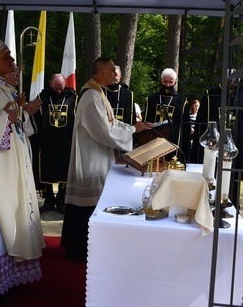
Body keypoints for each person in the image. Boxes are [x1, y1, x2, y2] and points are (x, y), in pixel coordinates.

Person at [0, 24, 45, 300]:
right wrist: (8, 118)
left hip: (12, 163)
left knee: (11, 220)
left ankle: (10, 278)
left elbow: (13, 125)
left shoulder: (0, 86)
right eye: (7, 57)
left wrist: (22, 113)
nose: (13, 62)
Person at [61, 57, 150, 261]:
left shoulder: (98, 92)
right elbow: (104, 131)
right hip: (91, 158)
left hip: (98, 155)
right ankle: (81, 250)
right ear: (101, 73)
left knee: (93, 203)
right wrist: (132, 131)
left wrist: (133, 128)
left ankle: (90, 248)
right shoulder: (91, 96)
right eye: (111, 70)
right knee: (88, 205)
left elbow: (110, 123)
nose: (115, 74)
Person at [192, 73, 243, 204]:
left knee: (233, 176)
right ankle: (207, 203)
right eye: (229, 78)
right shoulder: (211, 94)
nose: (232, 81)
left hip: (236, 142)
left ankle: (231, 203)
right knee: (211, 175)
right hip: (214, 144)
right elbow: (202, 123)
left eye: (235, 79)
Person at [32, 73, 77, 213]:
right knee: (47, 169)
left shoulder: (73, 98)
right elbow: (35, 118)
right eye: (56, 88)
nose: (59, 90)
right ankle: (49, 199)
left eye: (61, 88)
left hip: (66, 141)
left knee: (65, 169)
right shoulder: (42, 97)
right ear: (50, 84)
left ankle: (62, 200)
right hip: (47, 141)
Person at [144, 68, 190, 161]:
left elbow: (185, 127)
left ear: (175, 83)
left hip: (173, 139)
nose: (168, 85)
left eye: (170, 82)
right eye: (165, 82)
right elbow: (146, 122)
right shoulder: (152, 99)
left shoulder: (182, 102)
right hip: (154, 137)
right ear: (161, 81)